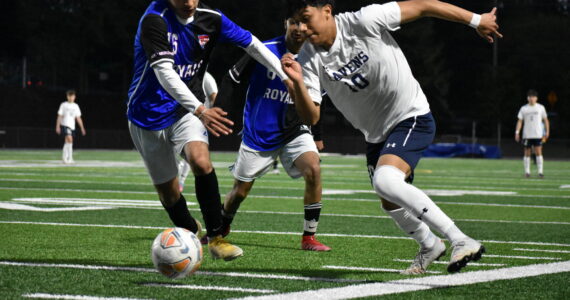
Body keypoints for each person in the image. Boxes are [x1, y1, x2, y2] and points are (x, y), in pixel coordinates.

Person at [282, 0, 502, 273]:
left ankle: (460, 239)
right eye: (296, 22)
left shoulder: (364, 21)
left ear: (327, 11)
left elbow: (424, 6)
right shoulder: (307, 59)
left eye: (306, 18)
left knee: (385, 180)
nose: (302, 28)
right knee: (388, 199)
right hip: (376, 135)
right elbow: (311, 117)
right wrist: (298, 85)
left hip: (410, 116)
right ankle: (429, 245)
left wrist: (476, 21)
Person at [127, 0, 290, 261]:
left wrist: (285, 77)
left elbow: (252, 44)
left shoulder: (211, 18)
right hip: (146, 117)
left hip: (184, 111)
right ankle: (190, 231)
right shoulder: (154, 20)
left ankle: (216, 238)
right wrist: (202, 111)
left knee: (201, 162)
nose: (189, 2)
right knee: (169, 195)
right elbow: (165, 74)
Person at [214, 18, 331, 251]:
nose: (300, 29)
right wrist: (219, 110)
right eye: (295, 23)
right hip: (260, 130)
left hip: (294, 129)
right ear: (285, 23)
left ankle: (309, 237)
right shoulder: (263, 49)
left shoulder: (316, 58)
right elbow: (232, 78)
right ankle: (222, 225)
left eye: (305, 24)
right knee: (240, 191)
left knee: (314, 169)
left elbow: (316, 102)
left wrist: (316, 134)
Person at [178, 71, 218, 193]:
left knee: (194, 156)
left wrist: (213, 118)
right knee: (185, 155)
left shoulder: (206, 77)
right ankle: (179, 181)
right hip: (182, 117)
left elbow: (214, 98)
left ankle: (180, 181)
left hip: (200, 119)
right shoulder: (183, 73)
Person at [515, 89, 550, 178]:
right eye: (530, 97)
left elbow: (545, 120)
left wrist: (547, 131)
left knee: (538, 152)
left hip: (538, 134)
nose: (531, 99)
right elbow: (520, 121)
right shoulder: (524, 108)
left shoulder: (540, 107)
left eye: (533, 97)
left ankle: (540, 172)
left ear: (536, 98)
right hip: (527, 134)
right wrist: (517, 132)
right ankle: (527, 172)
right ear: (527, 98)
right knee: (527, 153)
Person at [55, 89, 86, 164]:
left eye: (72, 96)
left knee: (68, 141)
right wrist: (57, 126)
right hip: (65, 125)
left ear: (74, 97)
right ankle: (69, 158)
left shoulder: (76, 106)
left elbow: (78, 118)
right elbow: (59, 116)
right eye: (69, 96)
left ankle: (66, 157)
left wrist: (82, 128)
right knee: (70, 139)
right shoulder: (63, 105)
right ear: (67, 96)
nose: (71, 97)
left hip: (72, 126)